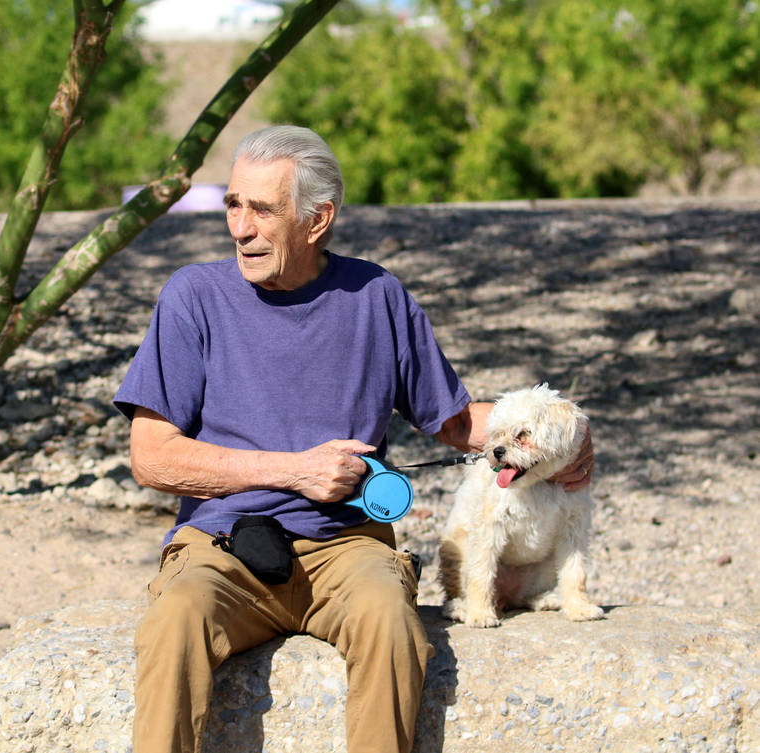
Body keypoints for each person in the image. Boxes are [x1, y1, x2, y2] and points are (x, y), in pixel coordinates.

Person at [113, 125, 593, 753]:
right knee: (174, 621)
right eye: (234, 204)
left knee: (392, 624)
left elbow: (453, 422)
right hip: (223, 546)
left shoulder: (377, 296)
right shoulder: (192, 297)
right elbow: (151, 458)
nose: (240, 227)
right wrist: (293, 471)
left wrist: (557, 439)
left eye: (262, 209)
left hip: (348, 544)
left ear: (317, 219)